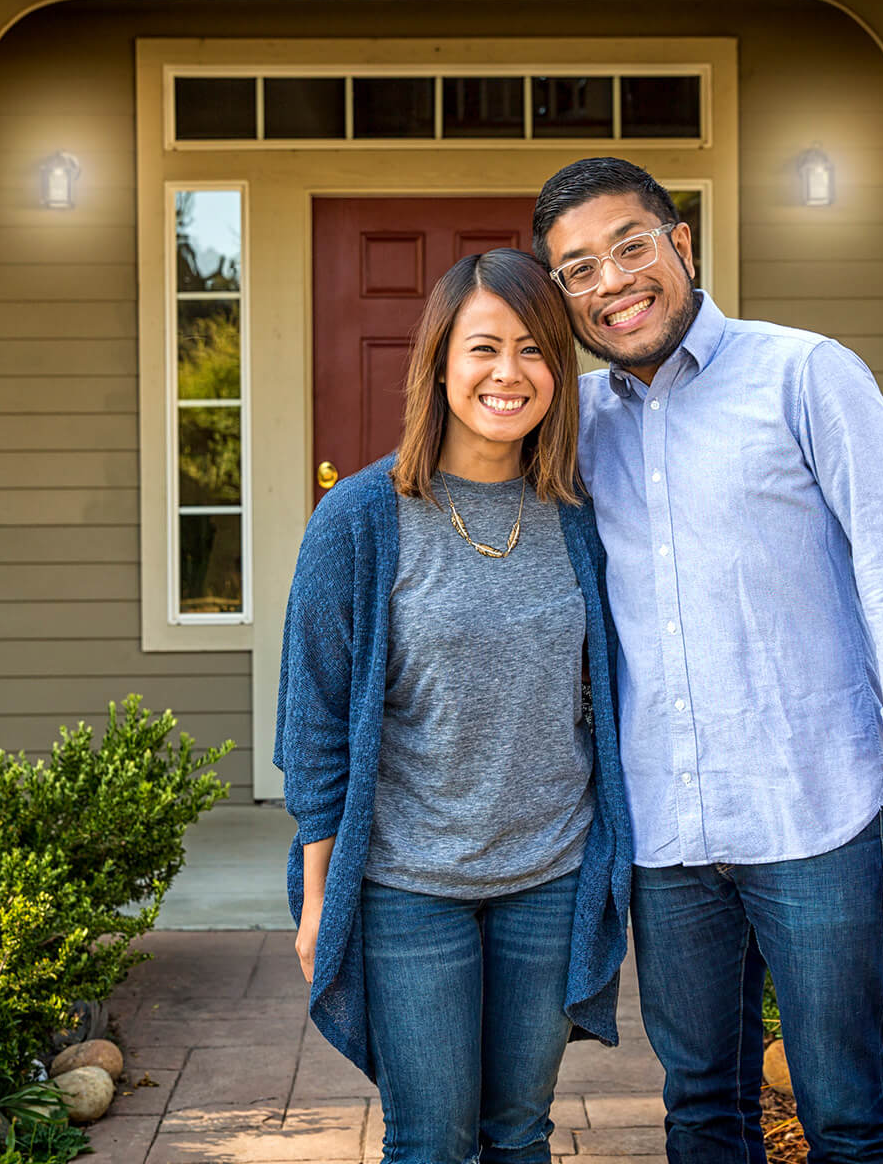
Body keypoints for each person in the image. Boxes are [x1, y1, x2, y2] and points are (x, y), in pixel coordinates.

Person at [532, 158, 883, 1164]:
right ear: (562, 294)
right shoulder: (576, 427)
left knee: (846, 1108)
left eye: (629, 246)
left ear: (679, 243)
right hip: (665, 831)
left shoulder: (805, 373)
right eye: (578, 269)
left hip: (811, 808)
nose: (612, 282)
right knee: (699, 1105)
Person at [273, 247, 632, 1164]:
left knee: (519, 1133)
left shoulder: (582, 514)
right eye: (483, 348)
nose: (508, 374)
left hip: (549, 876)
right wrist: (319, 900)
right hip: (406, 886)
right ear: (438, 364)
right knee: (431, 1140)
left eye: (534, 350)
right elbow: (312, 726)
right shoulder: (360, 519)